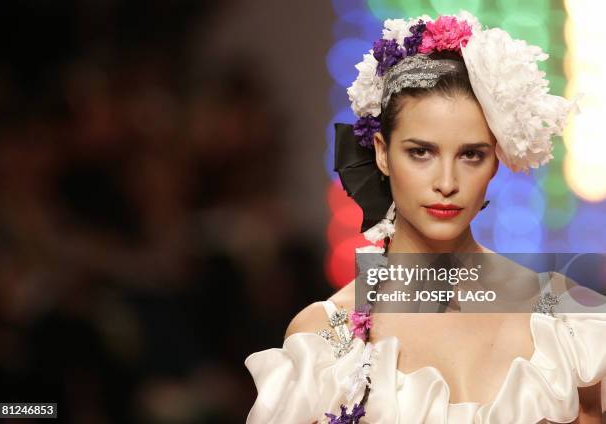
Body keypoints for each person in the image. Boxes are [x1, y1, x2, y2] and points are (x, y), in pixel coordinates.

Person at [244, 11, 606, 423]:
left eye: (471, 154)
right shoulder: (326, 341)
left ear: (496, 160)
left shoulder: (569, 322)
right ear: (382, 152)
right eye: (421, 152)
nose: (447, 182)